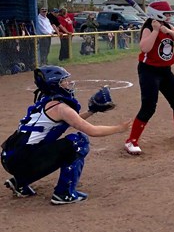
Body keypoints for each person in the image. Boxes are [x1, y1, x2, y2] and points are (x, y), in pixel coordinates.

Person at [1, 66, 130, 205]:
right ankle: (64, 193)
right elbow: (92, 131)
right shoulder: (61, 108)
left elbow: (71, 121)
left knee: (49, 148)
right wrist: (119, 128)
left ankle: (20, 182)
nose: (68, 83)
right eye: (63, 81)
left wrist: (91, 111)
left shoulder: (46, 103)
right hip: (22, 161)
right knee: (79, 142)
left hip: (11, 157)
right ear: (54, 85)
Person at [124, 1, 174, 155]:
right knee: (149, 107)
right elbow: (145, 48)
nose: (169, 16)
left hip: (165, 71)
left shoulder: (167, 26)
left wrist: (168, 31)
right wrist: (156, 31)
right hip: (149, 71)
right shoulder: (149, 27)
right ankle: (131, 141)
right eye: (167, 13)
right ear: (156, 13)